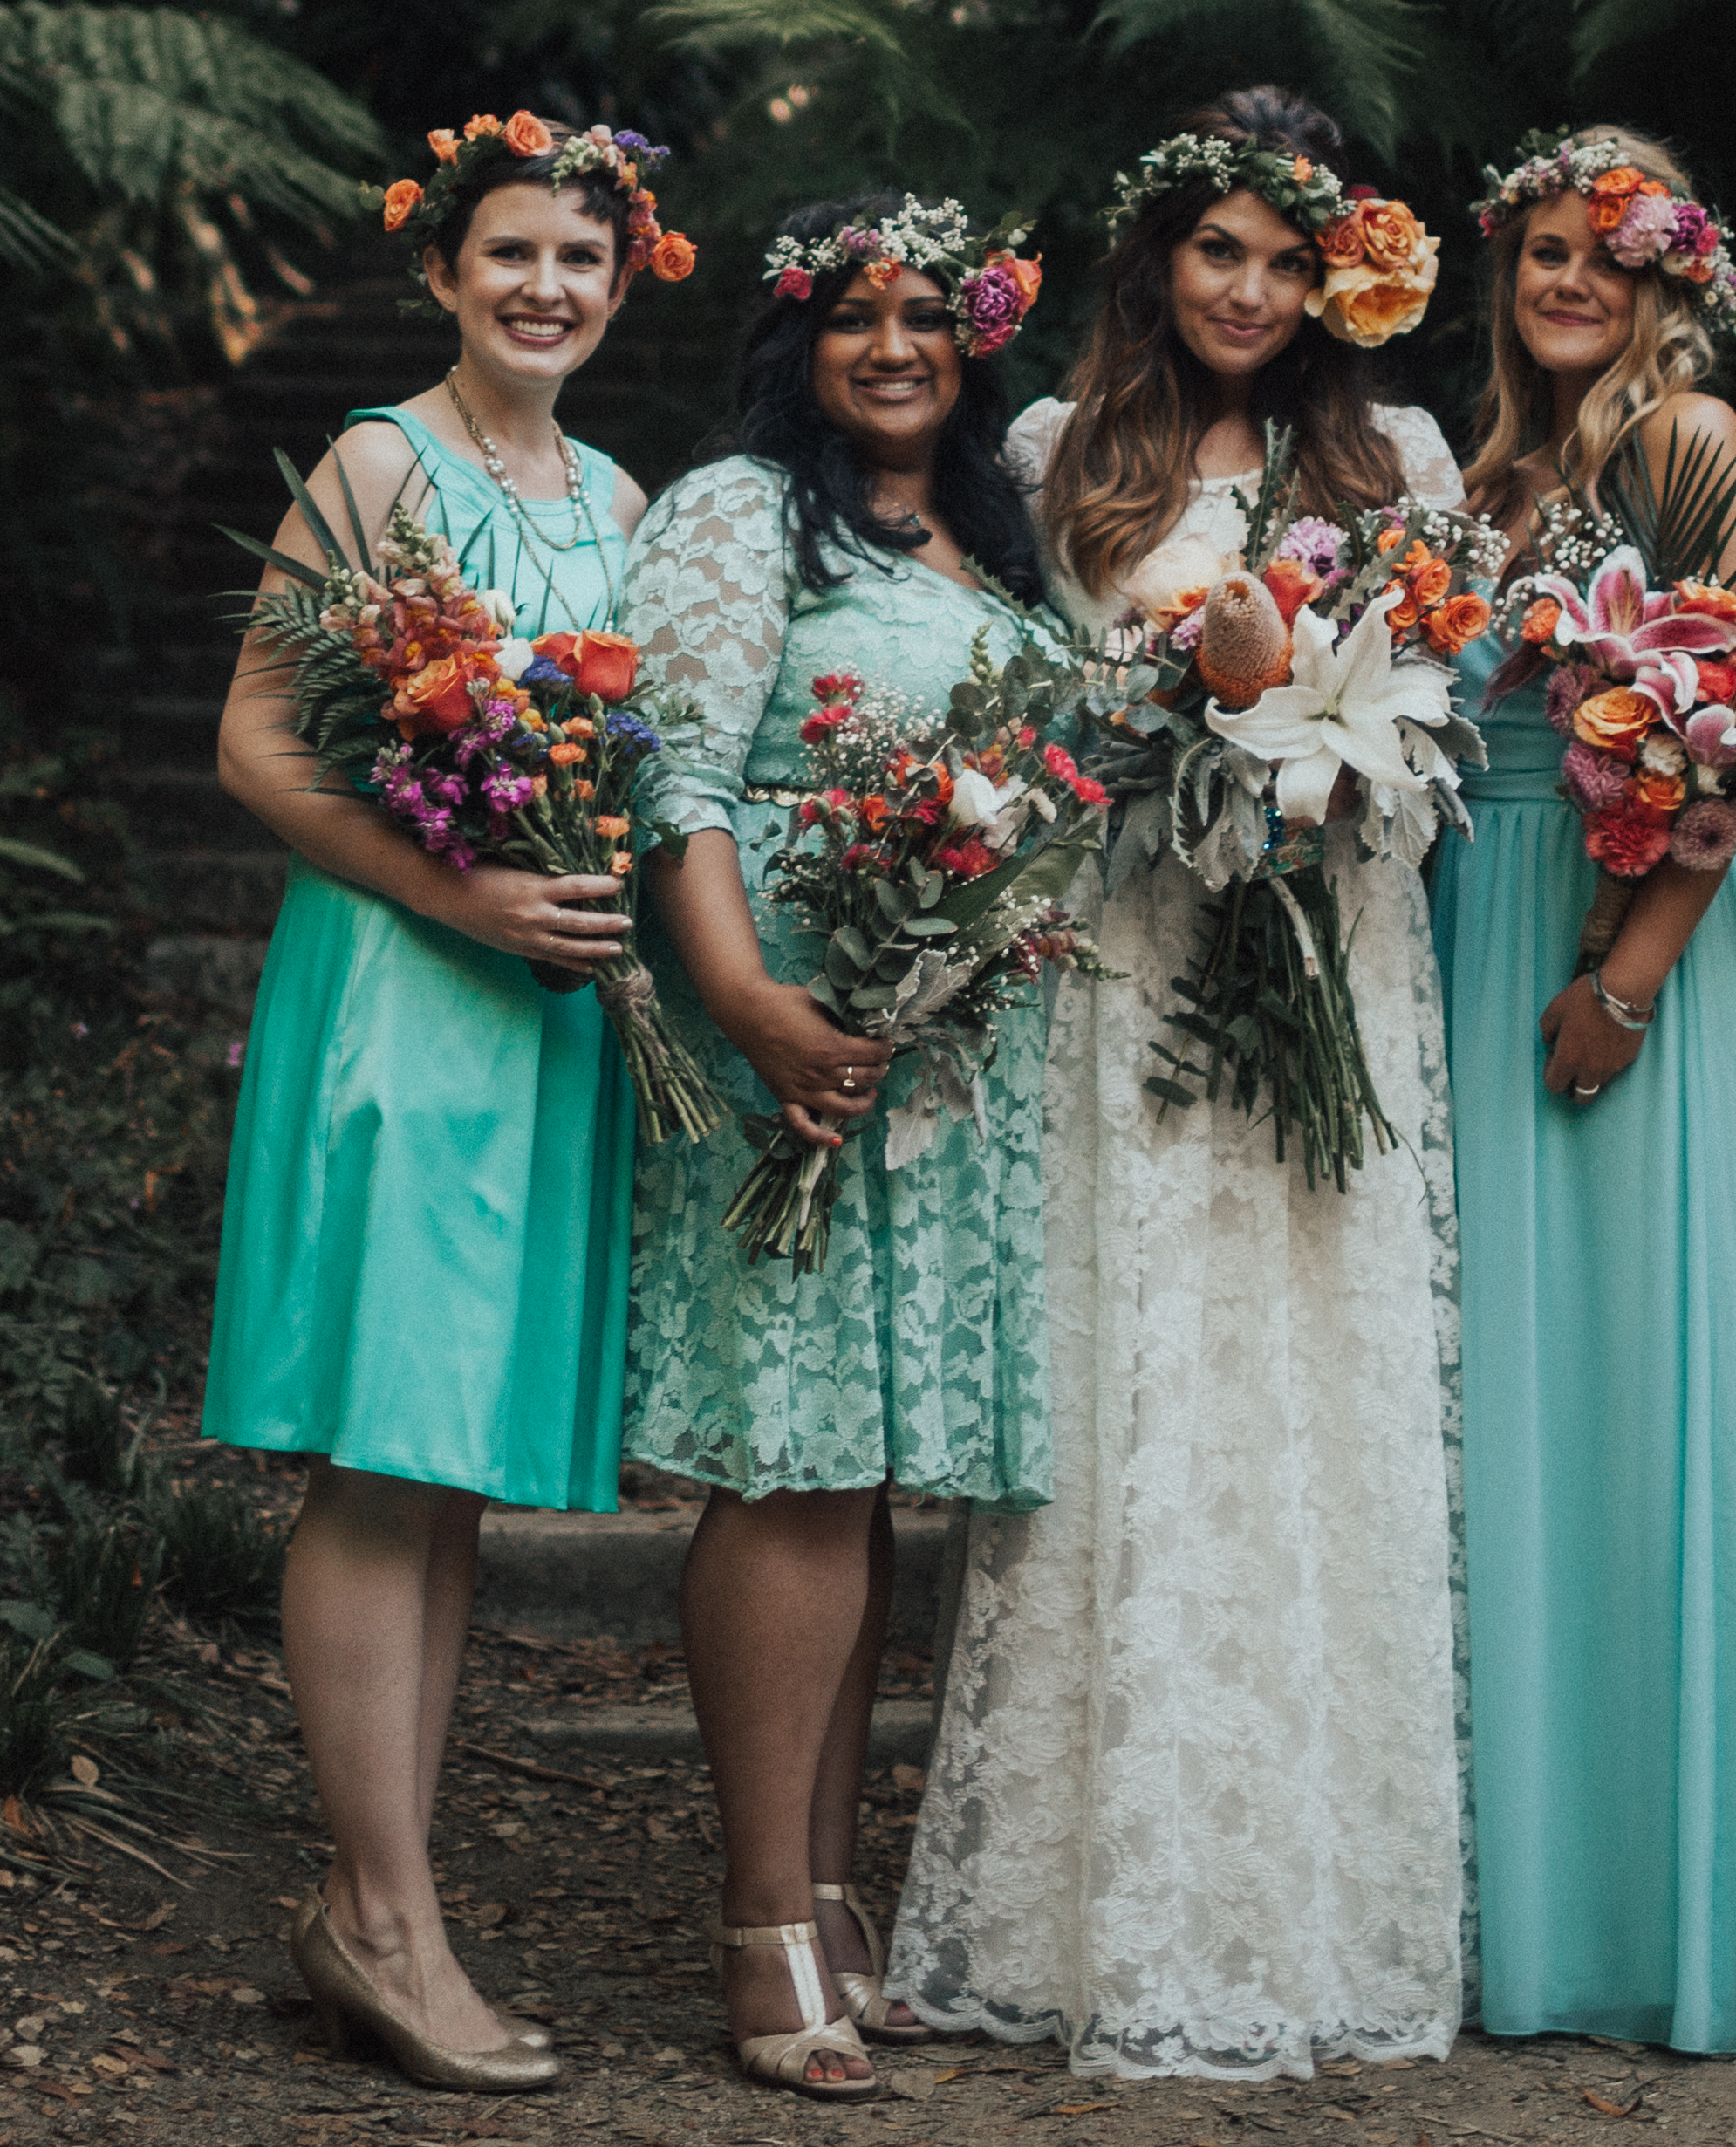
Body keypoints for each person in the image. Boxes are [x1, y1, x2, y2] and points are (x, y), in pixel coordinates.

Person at [892, 85, 1474, 2081]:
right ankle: (1097, 1911)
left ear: (1340, 276)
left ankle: (1312, 1909)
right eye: (1218, 248)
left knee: (1313, 1392)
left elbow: (1427, 740)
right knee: (1136, 1393)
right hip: (1133, 971)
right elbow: (1042, 722)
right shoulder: (1061, 451)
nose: (1248, 286)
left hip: (1327, 959)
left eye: (1285, 256)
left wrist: (1294, 740)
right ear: (1161, 256)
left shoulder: (1395, 455)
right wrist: (1178, 717)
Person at [201, 114, 690, 2094]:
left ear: (623, 274)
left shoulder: (626, 495)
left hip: (554, 1018)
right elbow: (248, 738)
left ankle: (370, 1902)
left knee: (450, 1467)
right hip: (409, 994)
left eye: (580, 256)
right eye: (510, 255)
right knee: (377, 1450)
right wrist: (465, 892)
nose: (545, 288)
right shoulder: (380, 461)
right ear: (443, 270)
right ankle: (388, 1923)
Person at [620, 194, 1070, 2100]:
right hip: (794, 1026)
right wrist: (747, 1006)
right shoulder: (738, 512)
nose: (893, 347)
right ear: (799, 340)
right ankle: (757, 1925)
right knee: (792, 1460)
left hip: (949, 1052)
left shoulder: (999, 539)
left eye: (927, 317)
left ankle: (823, 1882)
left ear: (976, 343)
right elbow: (681, 774)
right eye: (853, 317)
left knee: (866, 1475)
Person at [1437, 126, 1736, 2055]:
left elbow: (1728, 733)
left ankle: (1653, 1918)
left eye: (1609, 256)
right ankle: (1522, 1895)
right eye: (1541, 256)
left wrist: (1629, 981)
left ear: (1673, 278)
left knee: (1635, 1403)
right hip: (1478, 919)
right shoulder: (1496, 467)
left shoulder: (1695, 445)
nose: (1570, 283)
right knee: (1514, 1415)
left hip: (1630, 946)